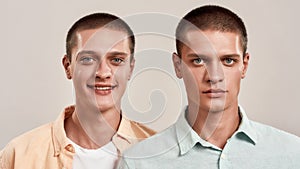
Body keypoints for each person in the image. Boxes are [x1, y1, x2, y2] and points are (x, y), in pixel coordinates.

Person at [118, 5, 300, 169]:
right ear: (178, 65)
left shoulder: (292, 154)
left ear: (244, 65)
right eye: (198, 61)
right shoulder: (139, 161)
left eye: (228, 60)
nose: (214, 76)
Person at [0, 13, 155, 169]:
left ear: (130, 69)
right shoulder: (18, 155)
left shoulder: (161, 152)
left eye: (116, 60)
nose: (102, 73)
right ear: (68, 67)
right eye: (87, 59)